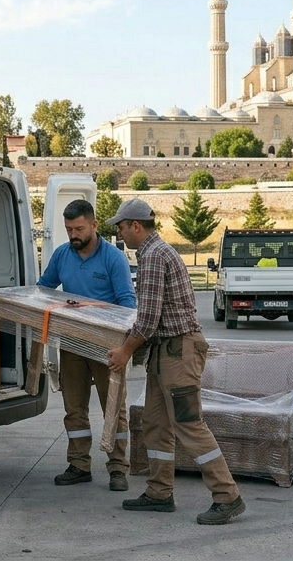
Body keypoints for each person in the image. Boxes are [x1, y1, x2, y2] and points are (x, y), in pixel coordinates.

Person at [104, 198, 246, 525]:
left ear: (136, 226)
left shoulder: (154, 256)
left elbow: (148, 319)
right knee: (155, 424)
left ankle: (227, 496)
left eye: (121, 227)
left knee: (189, 424)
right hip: (165, 352)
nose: (120, 234)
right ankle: (159, 492)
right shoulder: (155, 253)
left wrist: (125, 351)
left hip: (178, 353)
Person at [38, 199, 137, 492]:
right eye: (69, 229)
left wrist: (120, 344)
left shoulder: (113, 258)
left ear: (94, 225)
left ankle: (118, 467)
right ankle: (79, 464)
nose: (74, 235)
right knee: (74, 407)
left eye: (79, 229)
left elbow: (127, 304)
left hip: (107, 346)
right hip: (72, 342)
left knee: (113, 407)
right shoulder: (62, 255)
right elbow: (42, 289)